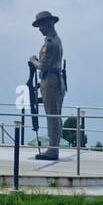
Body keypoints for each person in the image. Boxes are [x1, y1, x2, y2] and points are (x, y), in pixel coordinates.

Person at [27, 11, 65, 162]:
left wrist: (33, 60)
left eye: (41, 25)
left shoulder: (50, 43)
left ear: (48, 24)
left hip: (50, 80)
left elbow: (42, 66)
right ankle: (53, 146)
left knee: (52, 114)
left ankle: (52, 149)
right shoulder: (57, 40)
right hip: (55, 79)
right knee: (55, 113)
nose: (40, 29)